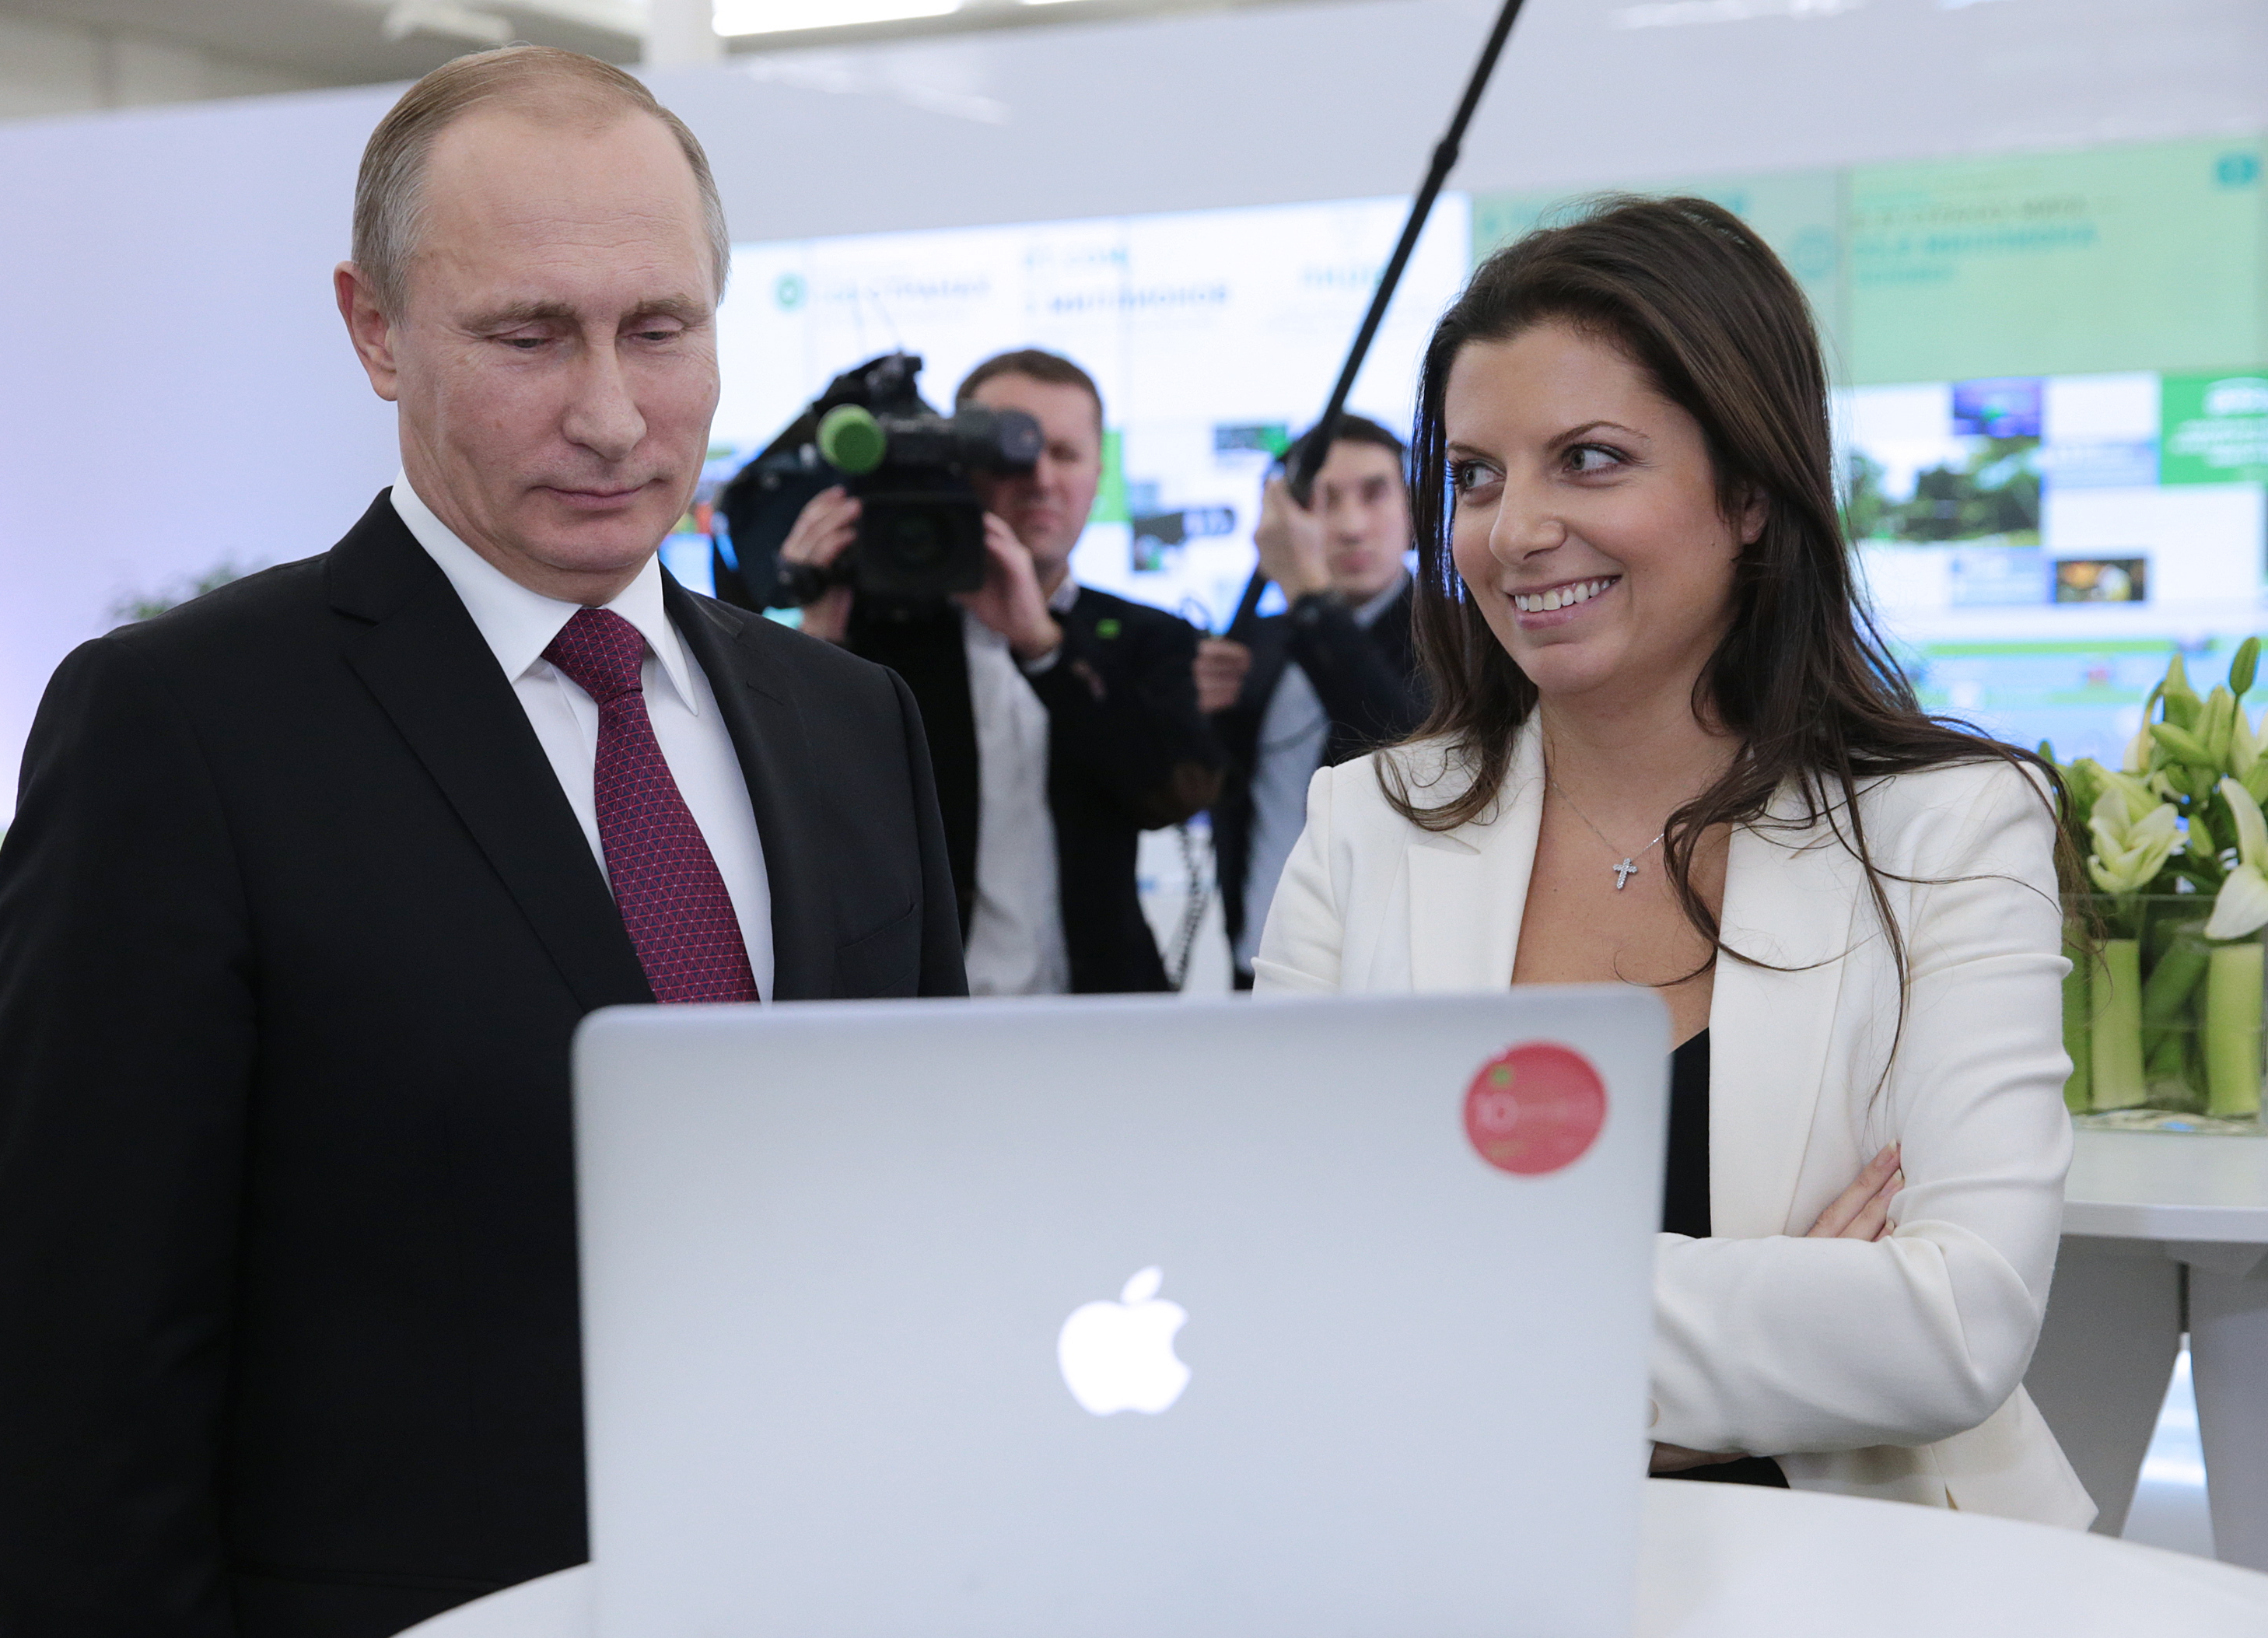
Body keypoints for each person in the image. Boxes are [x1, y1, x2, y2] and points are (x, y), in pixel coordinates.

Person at [0, 47, 964, 1638]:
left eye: (660, 328)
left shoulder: (850, 723)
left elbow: (920, 1237)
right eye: (527, 335)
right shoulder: (182, 728)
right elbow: (81, 1373)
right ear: (374, 329)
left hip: (829, 1637)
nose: (610, 413)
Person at [1252, 196, 2095, 1527]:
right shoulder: (1367, 825)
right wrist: (1775, 1340)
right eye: (1476, 474)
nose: (1512, 530)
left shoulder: (1949, 827)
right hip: (1457, 1553)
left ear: (1748, 491)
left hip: (1876, 1577)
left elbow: (1954, 1324)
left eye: (1588, 460)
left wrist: (1483, 1330)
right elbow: (1281, 1290)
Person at [786, 350, 1223, 994]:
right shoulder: (873, 637)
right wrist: (814, 640)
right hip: (923, 1016)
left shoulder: (1146, 636)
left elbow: (1173, 793)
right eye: (1013, 452)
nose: (1040, 478)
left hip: (1107, 1013)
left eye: (1066, 454)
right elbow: (796, 818)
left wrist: (1044, 646)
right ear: (960, 463)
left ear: (1099, 473)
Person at [1195, 416, 1425, 989]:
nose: (1350, 526)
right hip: (1257, 968)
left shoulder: (1462, 637)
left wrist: (1308, 593)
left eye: (1375, 494)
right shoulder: (1258, 644)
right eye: (1324, 501)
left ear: (1413, 510)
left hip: (1391, 977)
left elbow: (1408, 755)